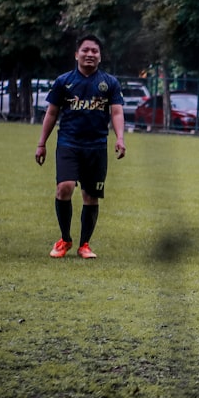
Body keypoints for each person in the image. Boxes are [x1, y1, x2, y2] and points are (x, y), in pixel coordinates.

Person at [35, 34, 126, 259]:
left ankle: (84, 244)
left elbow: (116, 112)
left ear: (100, 56)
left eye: (94, 51)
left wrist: (120, 138)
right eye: (85, 50)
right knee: (64, 187)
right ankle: (64, 239)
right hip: (68, 143)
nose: (89, 54)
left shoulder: (110, 83)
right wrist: (41, 143)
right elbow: (52, 113)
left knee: (90, 196)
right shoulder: (64, 81)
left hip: (96, 147)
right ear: (76, 54)